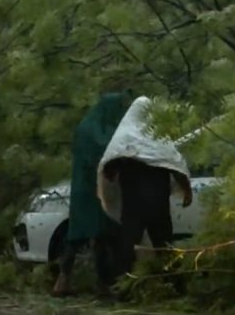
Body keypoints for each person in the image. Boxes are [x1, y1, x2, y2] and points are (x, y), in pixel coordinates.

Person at [97, 96, 193, 283]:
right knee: (163, 243)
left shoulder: (124, 138)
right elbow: (174, 162)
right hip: (158, 201)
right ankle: (173, 284)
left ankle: (124, 285)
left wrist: (126, 164)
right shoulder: (159, 138)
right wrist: (186, 189)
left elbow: (108, 169)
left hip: (134, 203)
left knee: (128, 244)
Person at [52, 92, 131, 298]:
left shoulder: (89, 126)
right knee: (90, 234)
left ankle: (78, 282)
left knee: (88, 235)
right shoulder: (94, 131)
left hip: (88, 188)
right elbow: (105, 151)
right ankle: (92, 283)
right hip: (92, 188)